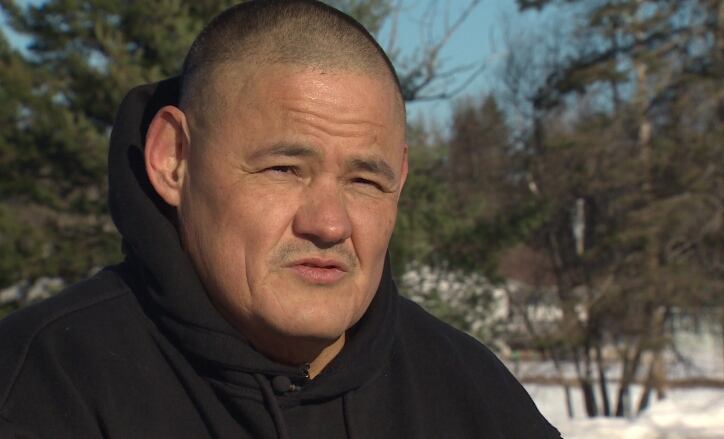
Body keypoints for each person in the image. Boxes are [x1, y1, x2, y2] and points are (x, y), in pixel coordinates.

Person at [0, 1, 560, 438]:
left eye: (365, 180)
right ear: (173, 160)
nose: (330, 224)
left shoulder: (472, 396)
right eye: (285, 169)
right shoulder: (42, 388)